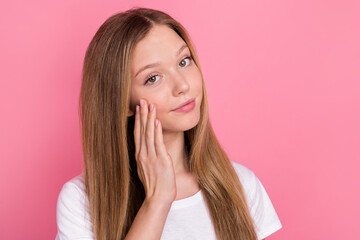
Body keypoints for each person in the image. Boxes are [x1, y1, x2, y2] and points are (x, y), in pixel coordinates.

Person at [55, 7, 282, 240]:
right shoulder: (81, 201)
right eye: (153, 78)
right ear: (123, 103)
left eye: (184, 61)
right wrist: (157, 201)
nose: (182, 85)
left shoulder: (241, 184)